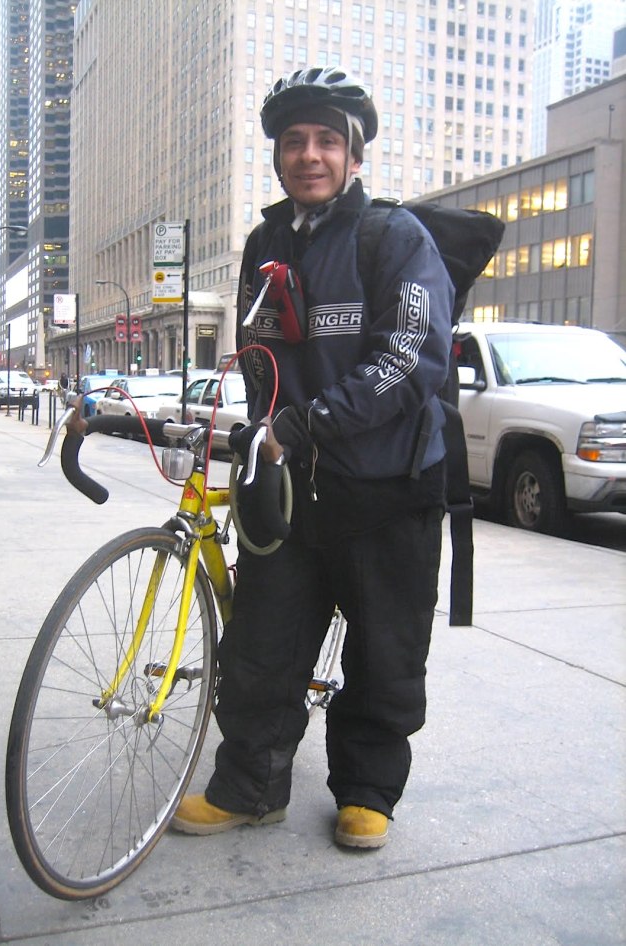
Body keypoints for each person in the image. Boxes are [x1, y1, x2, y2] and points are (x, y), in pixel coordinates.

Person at [171, 66, 454, 849]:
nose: (310, 155)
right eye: (295, 141)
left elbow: (412, 355)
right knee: (262, 645)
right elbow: (261, 357)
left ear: (353, 156)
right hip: (292, 492)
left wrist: (311, 422)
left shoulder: (393, 237)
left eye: (328, 140)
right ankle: (250, 787)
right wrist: (254, 426)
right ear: (278, 156)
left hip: (388, 486)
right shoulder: (265, 243)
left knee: (384, 652)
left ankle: (367, 791)